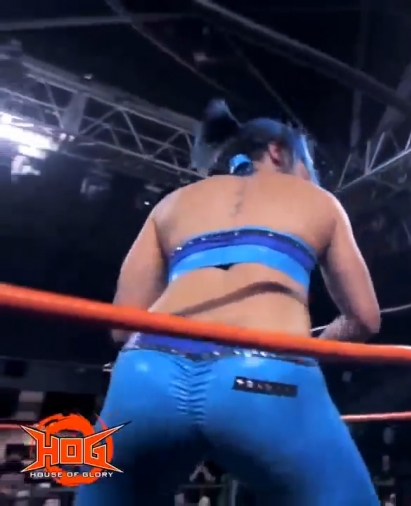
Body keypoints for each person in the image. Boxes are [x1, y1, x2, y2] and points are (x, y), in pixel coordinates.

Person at [75, 100, 381, 505]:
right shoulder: (318, 200)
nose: (312, 177)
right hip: (267, 372)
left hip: (147, 372)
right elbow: (364, 318)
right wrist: (302, 353)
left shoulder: (172, 203)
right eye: (308, 165)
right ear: (277, 151)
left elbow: (121, 326)